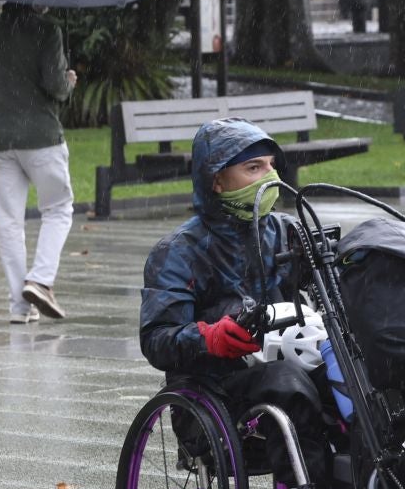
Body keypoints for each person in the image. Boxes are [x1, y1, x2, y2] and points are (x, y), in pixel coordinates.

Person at [139, 119, 328, 459]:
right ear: (217, 181)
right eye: (253, 168)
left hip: (289, 363)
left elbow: (332, 289)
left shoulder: (287, 231)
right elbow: (157, 339)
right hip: (215, 395)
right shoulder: (179, 251)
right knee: (288, 383)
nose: (270, 177)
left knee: (357, 379)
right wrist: (208, 338)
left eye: (271, 166)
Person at [0, 2, 77, 323]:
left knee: (9, 221)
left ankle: (20, 306)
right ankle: (40, 280)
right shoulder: (47, 29)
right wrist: (69, 82)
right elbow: (54, 85)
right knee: (58, 209)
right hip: (42, 138)